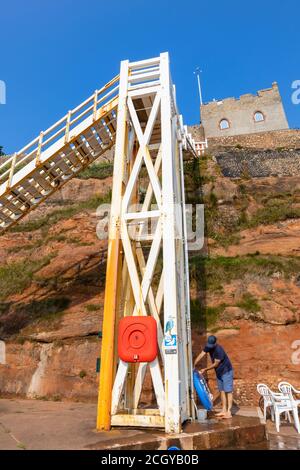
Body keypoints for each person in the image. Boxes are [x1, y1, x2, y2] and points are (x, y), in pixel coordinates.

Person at [194, 335, 234, 419]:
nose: (210, 347)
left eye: (211, 345)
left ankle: (229, 412)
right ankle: (223, 410)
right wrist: (194, 362)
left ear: (215, 342)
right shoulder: (209, 346)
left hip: (226, 371)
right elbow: (202, 354)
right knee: (222, 391)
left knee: (228, 391)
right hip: (219, 372)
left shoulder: (219, 350)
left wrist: (205, 369)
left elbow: (216, 364)